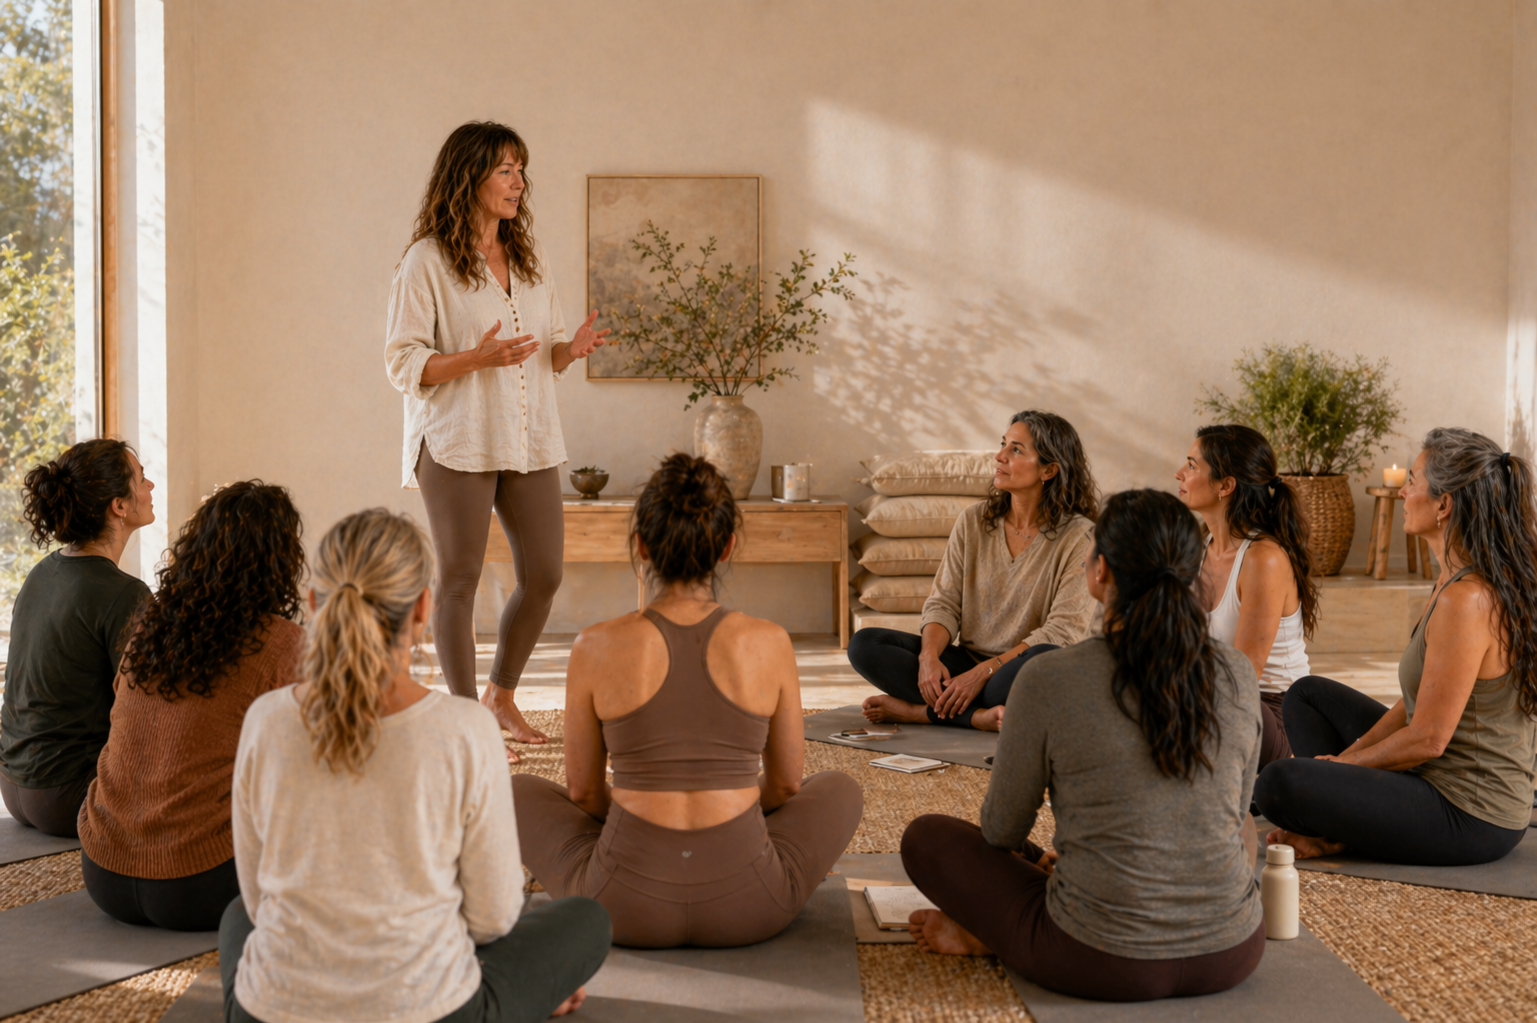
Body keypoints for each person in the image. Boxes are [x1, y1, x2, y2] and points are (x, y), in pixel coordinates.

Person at [221, 509, 608, 1023]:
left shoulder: (266, 720)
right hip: (430, 1012)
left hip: (271, 1013)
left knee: (235, 920)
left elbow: (255, 896)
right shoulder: (466, 729)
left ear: (314, 605)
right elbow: (493, 919)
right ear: (424, 608)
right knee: (586, 920)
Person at [901, 489, 1265, 1002]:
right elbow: (1233, 813)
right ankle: (1075, 878)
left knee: (927, 837)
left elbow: (1002, 830)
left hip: (1100, 959)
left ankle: (988, 934)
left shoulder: (1050, 677)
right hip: (1232, 952)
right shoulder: (1238, 674)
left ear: (1099, 572)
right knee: (1238, 822)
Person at [514, 454, 864, 948]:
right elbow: (785, 787)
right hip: (750, 906)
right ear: (727, 547)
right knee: (838, 787)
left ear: (640, 546)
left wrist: (639, 818)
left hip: (619, 907)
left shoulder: (593, 645)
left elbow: (585, 795)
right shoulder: (770, 641)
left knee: (517, 791)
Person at [384, 120, 611, 759]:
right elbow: (402, 363)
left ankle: (500, 696)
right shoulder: (426, 261)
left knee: (544, 572)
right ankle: (463, 726)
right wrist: (472, 360)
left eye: (521, 170)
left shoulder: (529, 263)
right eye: (506, 170)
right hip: (456, 437)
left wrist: (573, 350)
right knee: (458, 580)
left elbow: (549, 352)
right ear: (470, 178)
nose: (519, 182)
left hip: (529, 435)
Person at [1256, 429, 1537, 866]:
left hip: (1471, 814)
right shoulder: (1451, 578)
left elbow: (1427, 739)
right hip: (1432, 776)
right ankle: (1336, 821)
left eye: (1413, 480)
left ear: (1443, 505)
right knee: (1307, 695)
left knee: (1278, 785)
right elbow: (1418, 707)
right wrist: (1345, 761)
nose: (1403, 491)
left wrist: (1341, 771)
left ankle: (1334, 827)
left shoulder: (1467, 599)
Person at [77, 482, 305, 931]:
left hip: (103, 871)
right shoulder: (283, 643)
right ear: (280, 560)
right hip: (199, 884)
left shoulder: (148, 625)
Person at [852, 410, 1098, 731]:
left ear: (1049, 470)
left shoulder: (1081, 536)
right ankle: (980, 716)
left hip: (1016, 669)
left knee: (1039, 663)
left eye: (1016, 450)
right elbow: (944, 603)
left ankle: (918, 712)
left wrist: (982, 674)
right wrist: (929, 658)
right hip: (964, 662)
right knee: (865, 644)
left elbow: (1062, 633)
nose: (999, 456)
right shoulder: (973, 521)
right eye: (1003, 444)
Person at [0, 439, 154, 837]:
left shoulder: (41, 573)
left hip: (14, 787)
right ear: (118, 505)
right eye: (140, 478)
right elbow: (148, 710)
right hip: (70, 796)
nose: (150, 485)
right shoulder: (125, 593)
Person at [1176, 424, 1317, 768]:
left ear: (1225, 486)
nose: (1180, 473)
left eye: (1192, 466)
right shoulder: (1200, 547)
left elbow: (1242, 677)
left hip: (1273, 716)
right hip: (1215, 700)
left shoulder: (1262, 559)